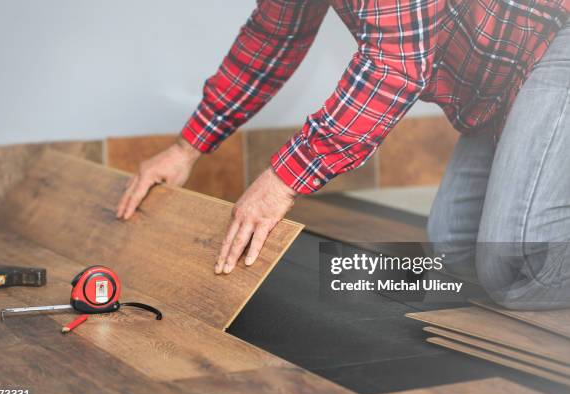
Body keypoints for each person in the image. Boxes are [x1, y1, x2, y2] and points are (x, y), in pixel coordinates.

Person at [116, 1, 569, 309]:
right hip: (504, 79)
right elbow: (271, 38)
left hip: (558, 40)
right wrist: (185, 148)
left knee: (519, 264)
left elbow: (393, 68)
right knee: (455, 248)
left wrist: (280, 182)